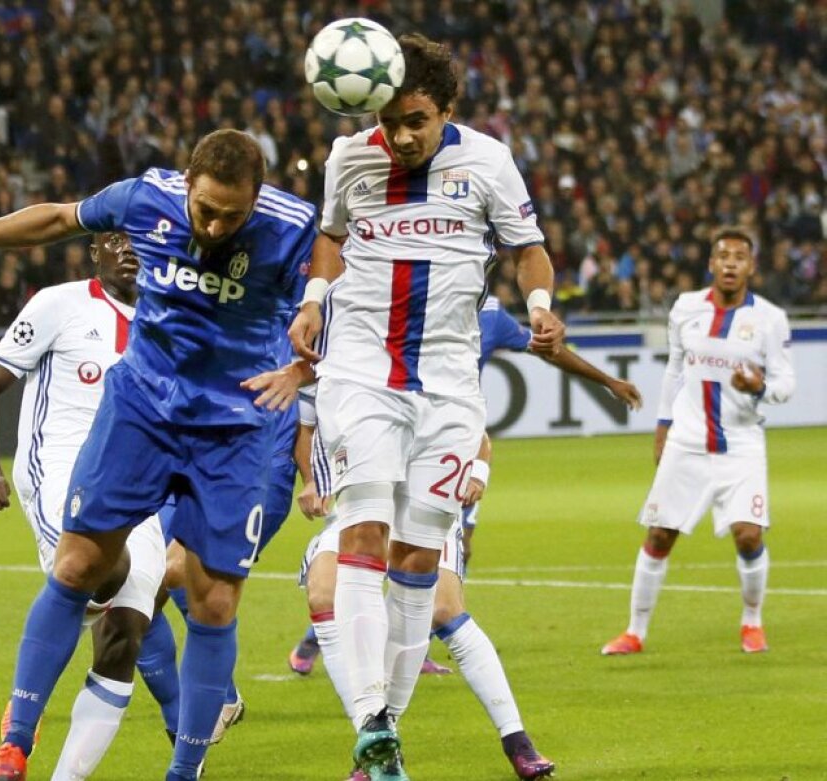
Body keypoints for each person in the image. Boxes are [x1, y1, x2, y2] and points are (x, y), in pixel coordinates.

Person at [0, 128, 314, 781]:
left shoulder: (294, 228)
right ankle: (15, 747)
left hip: (230, 430)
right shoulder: (145, 197)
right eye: (204, 209)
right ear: (186, 185)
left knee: (212, 603)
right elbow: (59, 218)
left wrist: (301, 368)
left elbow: (347, 301)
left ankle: (184, 771)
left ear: (257, 201)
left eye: (232, 216)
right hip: (142, 412)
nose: (214, 225)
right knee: (78, 565)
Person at [287, 35, 565, 779]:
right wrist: (314, 302)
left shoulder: (488, 162)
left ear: (447, 108)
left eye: (417, 120)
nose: (402, 136)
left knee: (417, 562)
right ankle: (370, 716)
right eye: (389, 120)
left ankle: (384, 740)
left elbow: (528, 246)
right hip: (362, 371)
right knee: (366, 535)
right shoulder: (350, 158)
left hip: (448, 384)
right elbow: (330, 237)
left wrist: (539, 302)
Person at [262, 293, 643, 780]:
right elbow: (309, 420)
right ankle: (372, 732)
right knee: (324, 584)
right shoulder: (356, 303)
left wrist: (606, 381)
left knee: (444, 606)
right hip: (369, 484)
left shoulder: (481, 319)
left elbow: (498, 397)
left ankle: (515, 739)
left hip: (439, 466)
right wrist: (313, 471)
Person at [0, 231, 167, 780]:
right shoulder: (60, 303)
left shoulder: (169, 320)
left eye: (142, 240)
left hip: (139, 486)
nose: (131, 250)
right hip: (59, 472)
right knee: (102, 569)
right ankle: (14, 745)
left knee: (125, 630)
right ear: (95, 250)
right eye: (117, 240)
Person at [601, 227, 794, 657]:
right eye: (722, 255)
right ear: (710, 264)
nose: (730, 263)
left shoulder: (769, 318)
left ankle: (752, 623)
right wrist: (662, 427)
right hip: (686, 443)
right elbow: (674, 370)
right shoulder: (685, 308)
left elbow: (787, 384)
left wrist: (758, 385)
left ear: (751, 266)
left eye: (739, 257)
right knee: (659, 535)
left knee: (748, 535)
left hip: (741, 444)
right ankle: (634, 632)